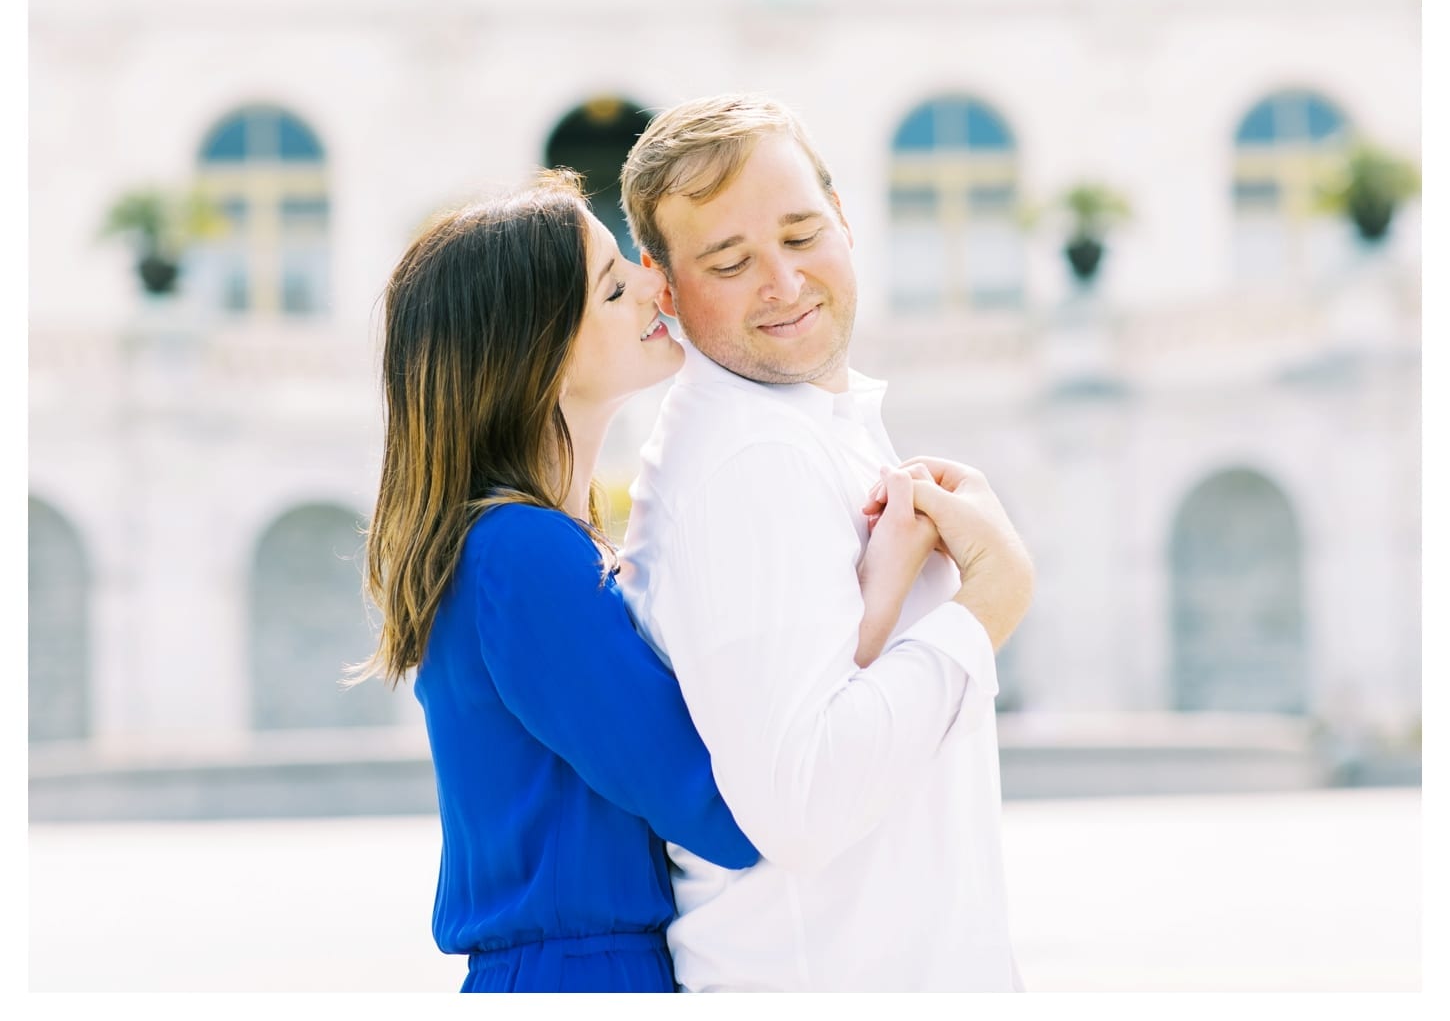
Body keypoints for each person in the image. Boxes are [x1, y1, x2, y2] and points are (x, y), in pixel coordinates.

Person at [352, 169, 948, 992]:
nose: (652, 283)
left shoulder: (523, 545)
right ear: (538, 350)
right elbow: (726, 811)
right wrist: (889, 587)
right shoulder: (518, 554)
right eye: (613, 286)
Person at [618, 94, 1036, 991]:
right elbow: (801, 806)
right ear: (663, 283)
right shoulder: (751, 455)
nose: (783, 282)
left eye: (802, 235)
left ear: (845, 218)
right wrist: (987, 608)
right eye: (730, 261)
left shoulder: (797, 424)